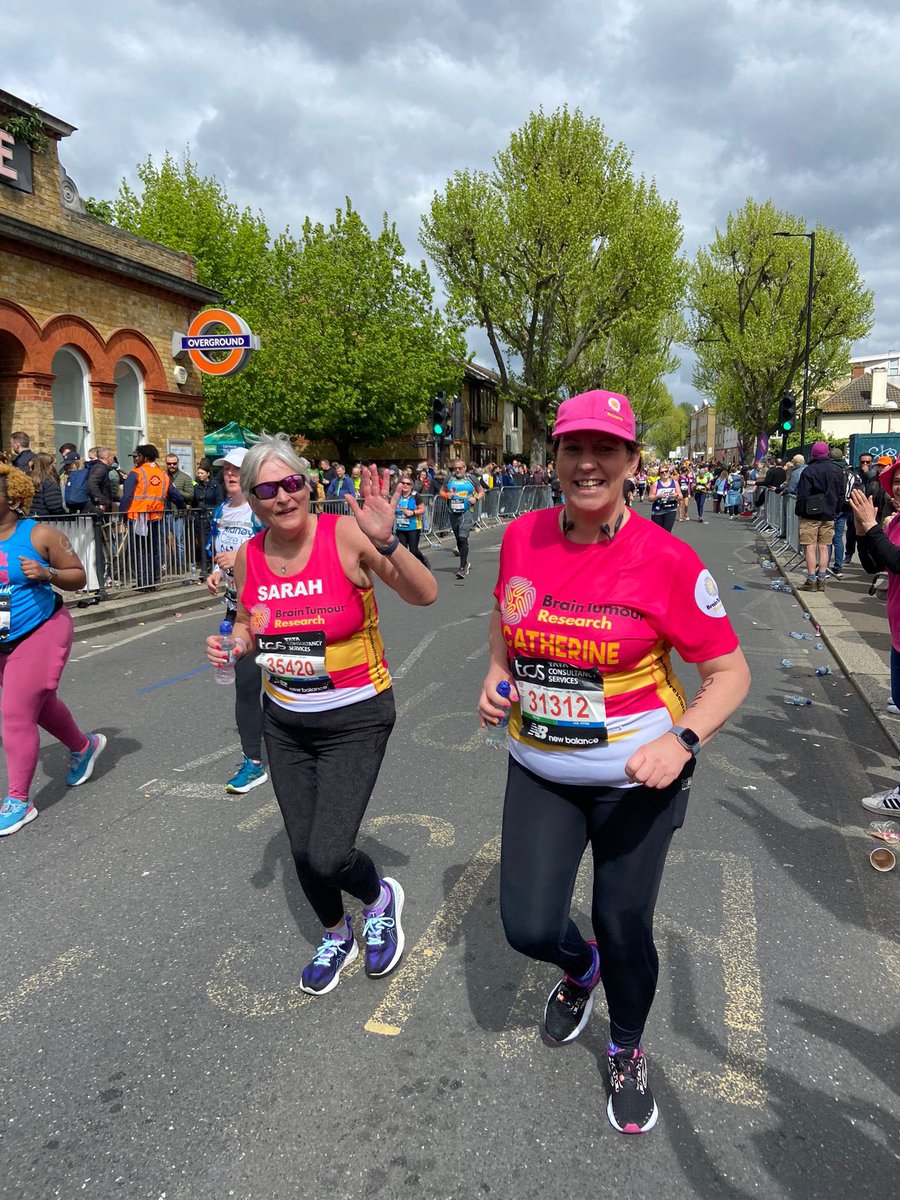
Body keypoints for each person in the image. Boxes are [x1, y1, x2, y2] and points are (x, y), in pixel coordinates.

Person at [479, 389, 750, 1135]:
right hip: (539, 768)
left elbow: (730, 675)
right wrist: (496, 677)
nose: (587, 463)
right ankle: (579, 969)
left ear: (632, 461)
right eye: (573, 448)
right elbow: (508, 624)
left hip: (639, 781)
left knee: (623, 923)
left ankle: (626, 1045)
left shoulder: (667, 559)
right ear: (555, 458)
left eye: (605, 449)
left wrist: (682, 740)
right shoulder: (522, 536)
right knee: (529, 927)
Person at [205, 434, 437, 994]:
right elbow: (246, 622)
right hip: (284, 721)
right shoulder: (247, 557)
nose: (284, 497)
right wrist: (235, 644)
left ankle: (379, 897)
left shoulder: (347, 536)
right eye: (268, 489)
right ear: (253, 501)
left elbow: (426, 593)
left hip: (355, 716)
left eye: (292, 483)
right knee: (303, 846)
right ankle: (336, 933)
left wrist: (390, 545)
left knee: (329, 852)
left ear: (308, 484)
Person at [0, 464, 107, 836]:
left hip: (41, 631)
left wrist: (48, 574)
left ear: (12, 497)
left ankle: (18, 800)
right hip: (2, 639)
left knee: (15, 713)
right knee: (38, 704)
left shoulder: (39, 533)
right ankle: (84, 745)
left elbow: (78, 576)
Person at [207, 448, 268, 794]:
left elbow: (274, 550)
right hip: (236, 610)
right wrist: (216, 571)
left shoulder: (259, 510)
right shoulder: (221, 510)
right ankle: (253, 762)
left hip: (269, 612)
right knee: (245, 686)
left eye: (236, 469)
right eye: (226, 469)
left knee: (287, 680)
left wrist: (242, 557)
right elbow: (220, 551)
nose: (229, 475)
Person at [851, 466, 900, 806]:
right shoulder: (895, 522)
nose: (899, 487)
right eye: (896, 482)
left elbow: (898, 562)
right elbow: (874, 564)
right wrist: (861, 530)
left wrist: (871, 527)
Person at [119, 445, 185, 591]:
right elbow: (175, 495)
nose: (135, 459)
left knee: (139, 550)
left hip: (136, 517)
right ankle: (153, 580)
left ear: (144, 457)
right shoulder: (163, 475)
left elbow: (127, 497)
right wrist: (182, 507)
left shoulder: (136, 473)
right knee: (153, 548)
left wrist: (121, 516)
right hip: (155, 518)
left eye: (137, 456)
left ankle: (143, 583)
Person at [795, 441, 844, 592]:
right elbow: (841, 494)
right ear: (827, 453)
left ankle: (811, 580)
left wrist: (799, 511)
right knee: (824, 547)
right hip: (829, 513)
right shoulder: (837, 470)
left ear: (814, 454)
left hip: (810, 513)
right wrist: (836, 510)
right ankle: (822, 579)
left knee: (810, 547)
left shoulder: (809, 471)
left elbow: (802, 495)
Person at [441, 459, 485, 579]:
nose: (457, 470)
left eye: (460, 468)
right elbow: (441, 492)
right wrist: (446, 495)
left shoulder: (471, 479)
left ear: (465, 468)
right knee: (458, 538)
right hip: (453, 512)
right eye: (455, 468)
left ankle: (462, 567)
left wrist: (475, 499)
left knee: (462, 537)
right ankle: (465, 562)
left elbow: (481, 492)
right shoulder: (449, 479)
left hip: (466, 512)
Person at [164, 453, 195, 572]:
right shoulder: (163, 476)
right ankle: (165, 567)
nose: (171, 465)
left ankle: (180, 565)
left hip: (178, 514)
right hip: (163, 512)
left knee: (178, 541)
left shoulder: (185, 477)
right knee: (163, 542)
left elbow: (190, 494)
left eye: (174, 463)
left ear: (178, 463)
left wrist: (175, 491)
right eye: (169, 463)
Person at [393, 475, 429, 566]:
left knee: (414, 551)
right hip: (401, 528)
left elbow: (422, 510)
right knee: (403, 551)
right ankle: (408, 570)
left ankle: (423, 560)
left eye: (407, 483)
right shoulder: (397, 496)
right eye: (403, 483)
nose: (405, 485)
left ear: (411, 486)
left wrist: (412, 512)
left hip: (413, 527)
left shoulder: (415, 496)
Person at [648, 462, 681, 532]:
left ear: (669, 472)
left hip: (671, 509)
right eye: (662, 472)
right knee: (658, 533)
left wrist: (676, 495)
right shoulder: (656, 483)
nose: (664, 473)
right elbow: (650, 498)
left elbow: (681, 496)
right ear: (659, 474)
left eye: (666, 471)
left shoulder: (674, 483)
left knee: (667, 532)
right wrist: (658, 496)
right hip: (658, 511)